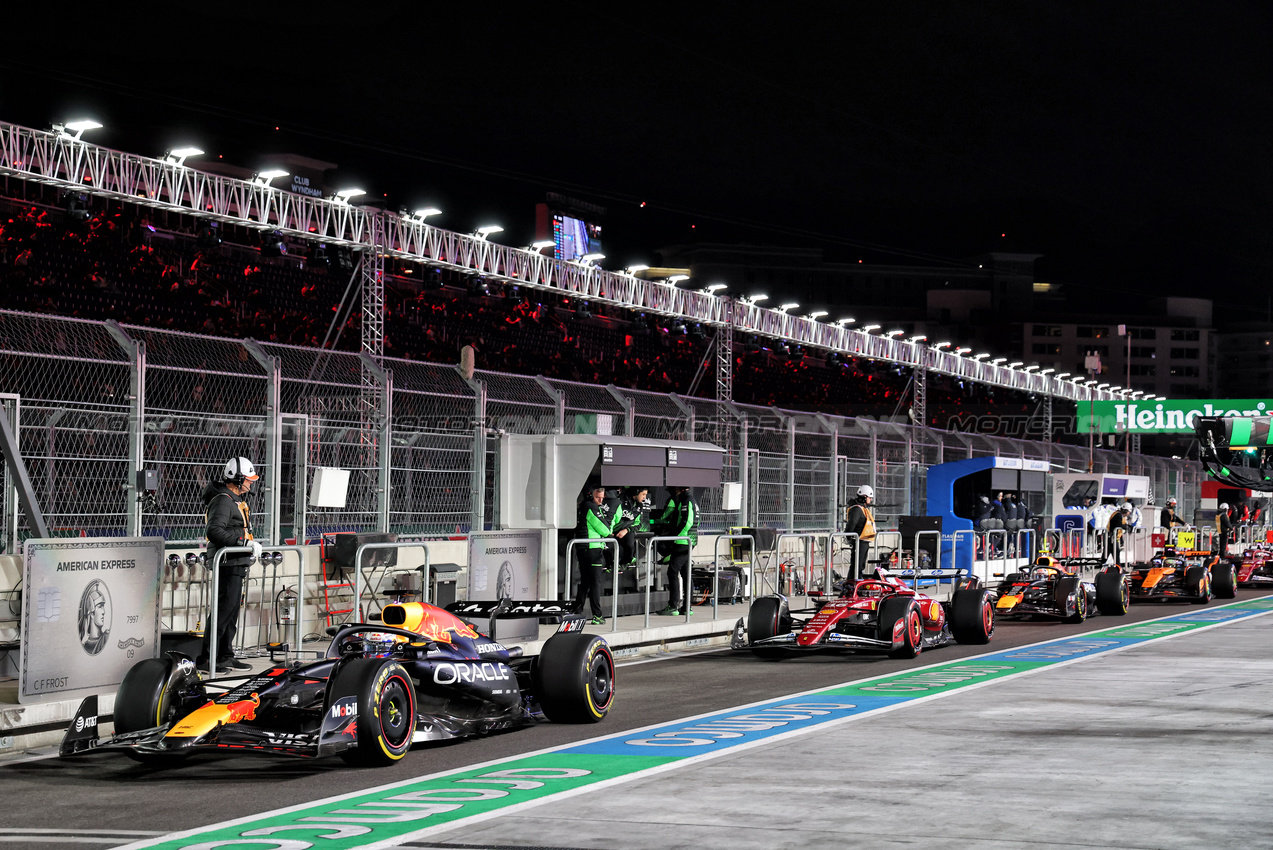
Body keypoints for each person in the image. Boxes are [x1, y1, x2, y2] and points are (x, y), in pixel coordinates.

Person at [198, 456, 262, 674]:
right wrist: (241, 543)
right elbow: (214, 530)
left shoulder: (233, 499)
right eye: (249, 479)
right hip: (227, 562)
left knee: (232, 611)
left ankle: (225, 656)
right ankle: (207, 658)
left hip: (236, 561)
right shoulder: (224, 500)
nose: (251, 483)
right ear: (239, 478)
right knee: (223, 611)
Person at [573, 483, 617, 625]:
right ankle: (597, 615)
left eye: (602, 498)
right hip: (592, 549)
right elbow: (604, 529)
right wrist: (609, 529)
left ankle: (577, 611)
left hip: (583, 549)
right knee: (595, 583)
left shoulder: (583, 506)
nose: (600, 501)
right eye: (598, 498)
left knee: (585, 582)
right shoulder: (590, 507)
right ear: (591, 495)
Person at [654, 486, 698, 616]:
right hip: (688, 541)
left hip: (683, 541)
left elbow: (687, 522)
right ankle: (686, 607)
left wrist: (675, 535)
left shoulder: (686, 500)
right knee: (685, 573)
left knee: (672, 572)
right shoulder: (691, 499)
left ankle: (673, 605)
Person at [843, 484, 878, 578]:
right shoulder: (857, 509)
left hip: (864, 540)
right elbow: (851, 525)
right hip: (859, 541)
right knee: (856, 565)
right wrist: (849, 537)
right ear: (864, 497)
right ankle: (852, 583)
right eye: (870, 498)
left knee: (860, 564)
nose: (871, 500)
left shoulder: (862, 509)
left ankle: (856, 580)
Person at [615, 487, 652, 566]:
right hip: (613, 531)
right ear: (636, 492)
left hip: (626, 531)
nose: (645, 497)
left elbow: (639, 524)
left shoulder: (639, 506)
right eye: (643, 494)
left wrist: (627, 530)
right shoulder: (620, 501)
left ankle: (623, 564)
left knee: (629, 546)